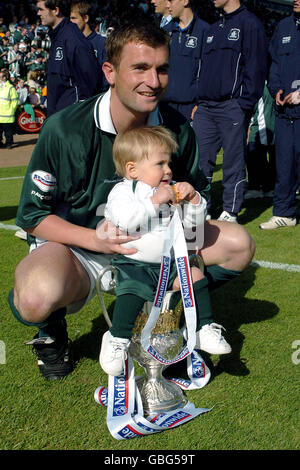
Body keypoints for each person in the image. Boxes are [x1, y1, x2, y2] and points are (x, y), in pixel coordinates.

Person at [9, 19, 255, 382]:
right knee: (34, 295)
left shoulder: (177, 129)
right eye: (140, 68)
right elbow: (32, 216)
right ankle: (52, 331)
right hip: (82, 251)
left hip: (152, 246)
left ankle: (167, 314)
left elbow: (189, 205)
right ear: (109, 71)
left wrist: (185, 228)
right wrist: (95, 239)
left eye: (162, 69)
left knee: (237, 242)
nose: (153, 82)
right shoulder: (65, 127)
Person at [99, 125, 231, 377]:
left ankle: (203, 328)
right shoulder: (123, 192)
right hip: (133, 263)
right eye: (160, 164)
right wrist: (154, 201)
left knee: (194, 275)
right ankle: (117, 338)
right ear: (132, 169)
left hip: (169, 263)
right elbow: (126, 221)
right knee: (134, 289)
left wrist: (194, 201)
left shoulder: (168, 191)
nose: (168, 170)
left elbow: (193, 227)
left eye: (168, 163)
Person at [192, 0, 267, 222]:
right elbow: (203, 68)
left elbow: (257, 66)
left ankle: (230, 211)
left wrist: (244, 105)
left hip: (232, 106)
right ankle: (201, 206)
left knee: (233, 161)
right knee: (201, 161)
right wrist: (199, 100)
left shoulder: (250, 24)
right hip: (205, 107)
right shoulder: (214, 28)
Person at [259, 1, 300, 230]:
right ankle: (284, 213)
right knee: (284, 164)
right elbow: (273, 64)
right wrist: (276, 90)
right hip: (285, 113)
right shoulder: (284, 27)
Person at [36, 0, 102, 117]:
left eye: (41, 9)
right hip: (58, 118)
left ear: (55, 10)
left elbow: (91, 82)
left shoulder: (72, 38)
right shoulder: (57, 37)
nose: (38, 13)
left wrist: (78, 115)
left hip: (71, 119)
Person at [161, 0, 209, 121]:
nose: (167, 5)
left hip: (191, 110)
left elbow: (209, 72)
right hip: (164, 107)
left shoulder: (205, 31)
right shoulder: (164, 32)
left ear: (185, 1)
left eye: (170, 1)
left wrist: (201, 104)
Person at [244, 84, 276, 200]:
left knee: (272, 158)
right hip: (258, 128)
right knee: (254, 157)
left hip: (269, 127)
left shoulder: (267, 85)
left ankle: (266, 187)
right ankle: (256, 186)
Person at [70, 0, 108, 92]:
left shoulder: (102, 43)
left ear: (86, 18)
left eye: (74, 18)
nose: (70, 22)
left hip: (95, 99)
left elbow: (107, 77)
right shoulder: (69, 43)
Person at [0, 68, 18, 149]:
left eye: (0, 76)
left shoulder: (11, 87)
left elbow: (14, 101)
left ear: (4, 77)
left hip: (7, 114)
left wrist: (12, 110)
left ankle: (9, 143)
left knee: (8, 131)